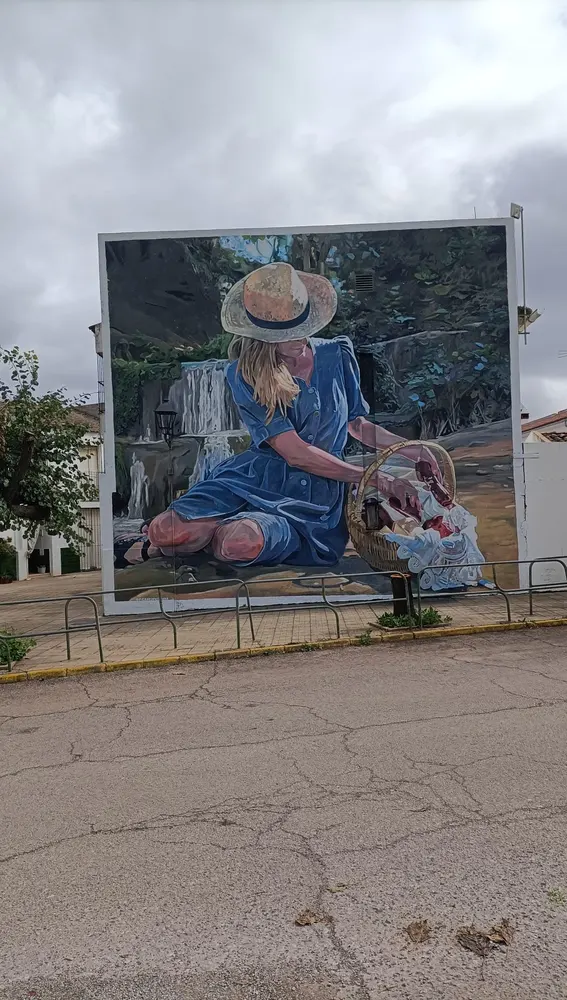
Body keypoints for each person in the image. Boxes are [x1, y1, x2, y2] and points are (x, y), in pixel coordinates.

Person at [146, 262, 439, 569]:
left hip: (312, 495)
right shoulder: (244, 373)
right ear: (262, 335)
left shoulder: (337, 353)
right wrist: (378, 479)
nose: (303, 337)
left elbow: (357, 425)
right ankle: (195, 534)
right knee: (163, 530)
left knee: (238, 543)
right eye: (290, 332)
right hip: (254, 476)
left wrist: (412, 449)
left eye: (305, 326)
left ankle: (214, 535)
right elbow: (296, 454)